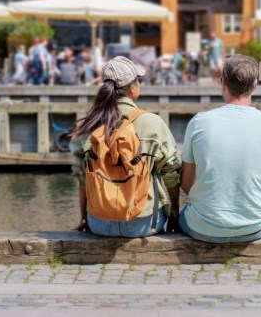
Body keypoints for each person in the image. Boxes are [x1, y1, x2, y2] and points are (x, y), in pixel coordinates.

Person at [180, 55, 261, 244]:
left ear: (222, 83)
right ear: (255, 85)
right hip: (254, 227)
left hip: (202, 226)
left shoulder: (198, 122)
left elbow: (186, 182)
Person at [70, 56, 180, 238]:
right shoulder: (152, 122)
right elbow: (171, 171)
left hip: (99, 222)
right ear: (132, 87)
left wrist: (84, 218)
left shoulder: (89, 124)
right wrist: (174, 210)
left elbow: (82, 177)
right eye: (138, 80)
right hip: (143, 223)